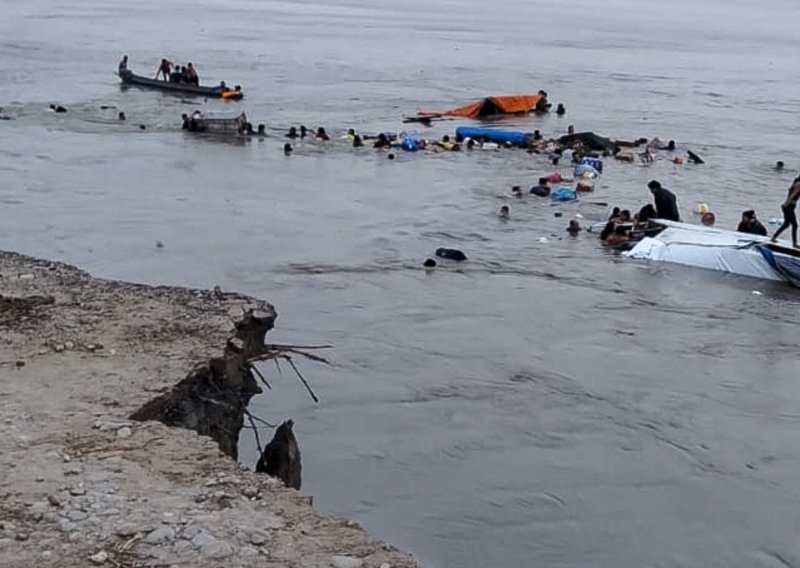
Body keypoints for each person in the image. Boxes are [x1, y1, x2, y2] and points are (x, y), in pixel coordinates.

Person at [771, 177, 800, 247]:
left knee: (786, 224)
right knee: (795, 225)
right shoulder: (799, 184)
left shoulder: (796, 183)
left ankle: (774, 237)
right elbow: (793, 195)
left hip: (789, 206)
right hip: (789, 206)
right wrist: (786, 203)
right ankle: (794, 243)